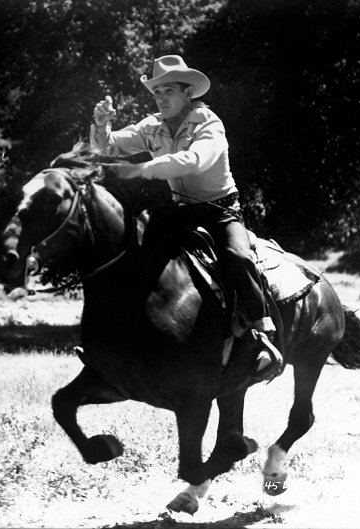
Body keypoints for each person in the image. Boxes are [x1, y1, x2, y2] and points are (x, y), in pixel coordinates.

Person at [90, 55, 282, 381]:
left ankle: (264, 337)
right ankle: (123, 333)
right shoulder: (152, 126)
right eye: (157, 93)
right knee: (135, 241)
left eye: (168, 91)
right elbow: (108, 147)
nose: (161, 98)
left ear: (188, 94)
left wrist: (146, 169)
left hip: (220, 211)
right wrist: (100, 124)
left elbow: (194, 160)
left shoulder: (209, 123)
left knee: (236, 257)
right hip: (181, 210)